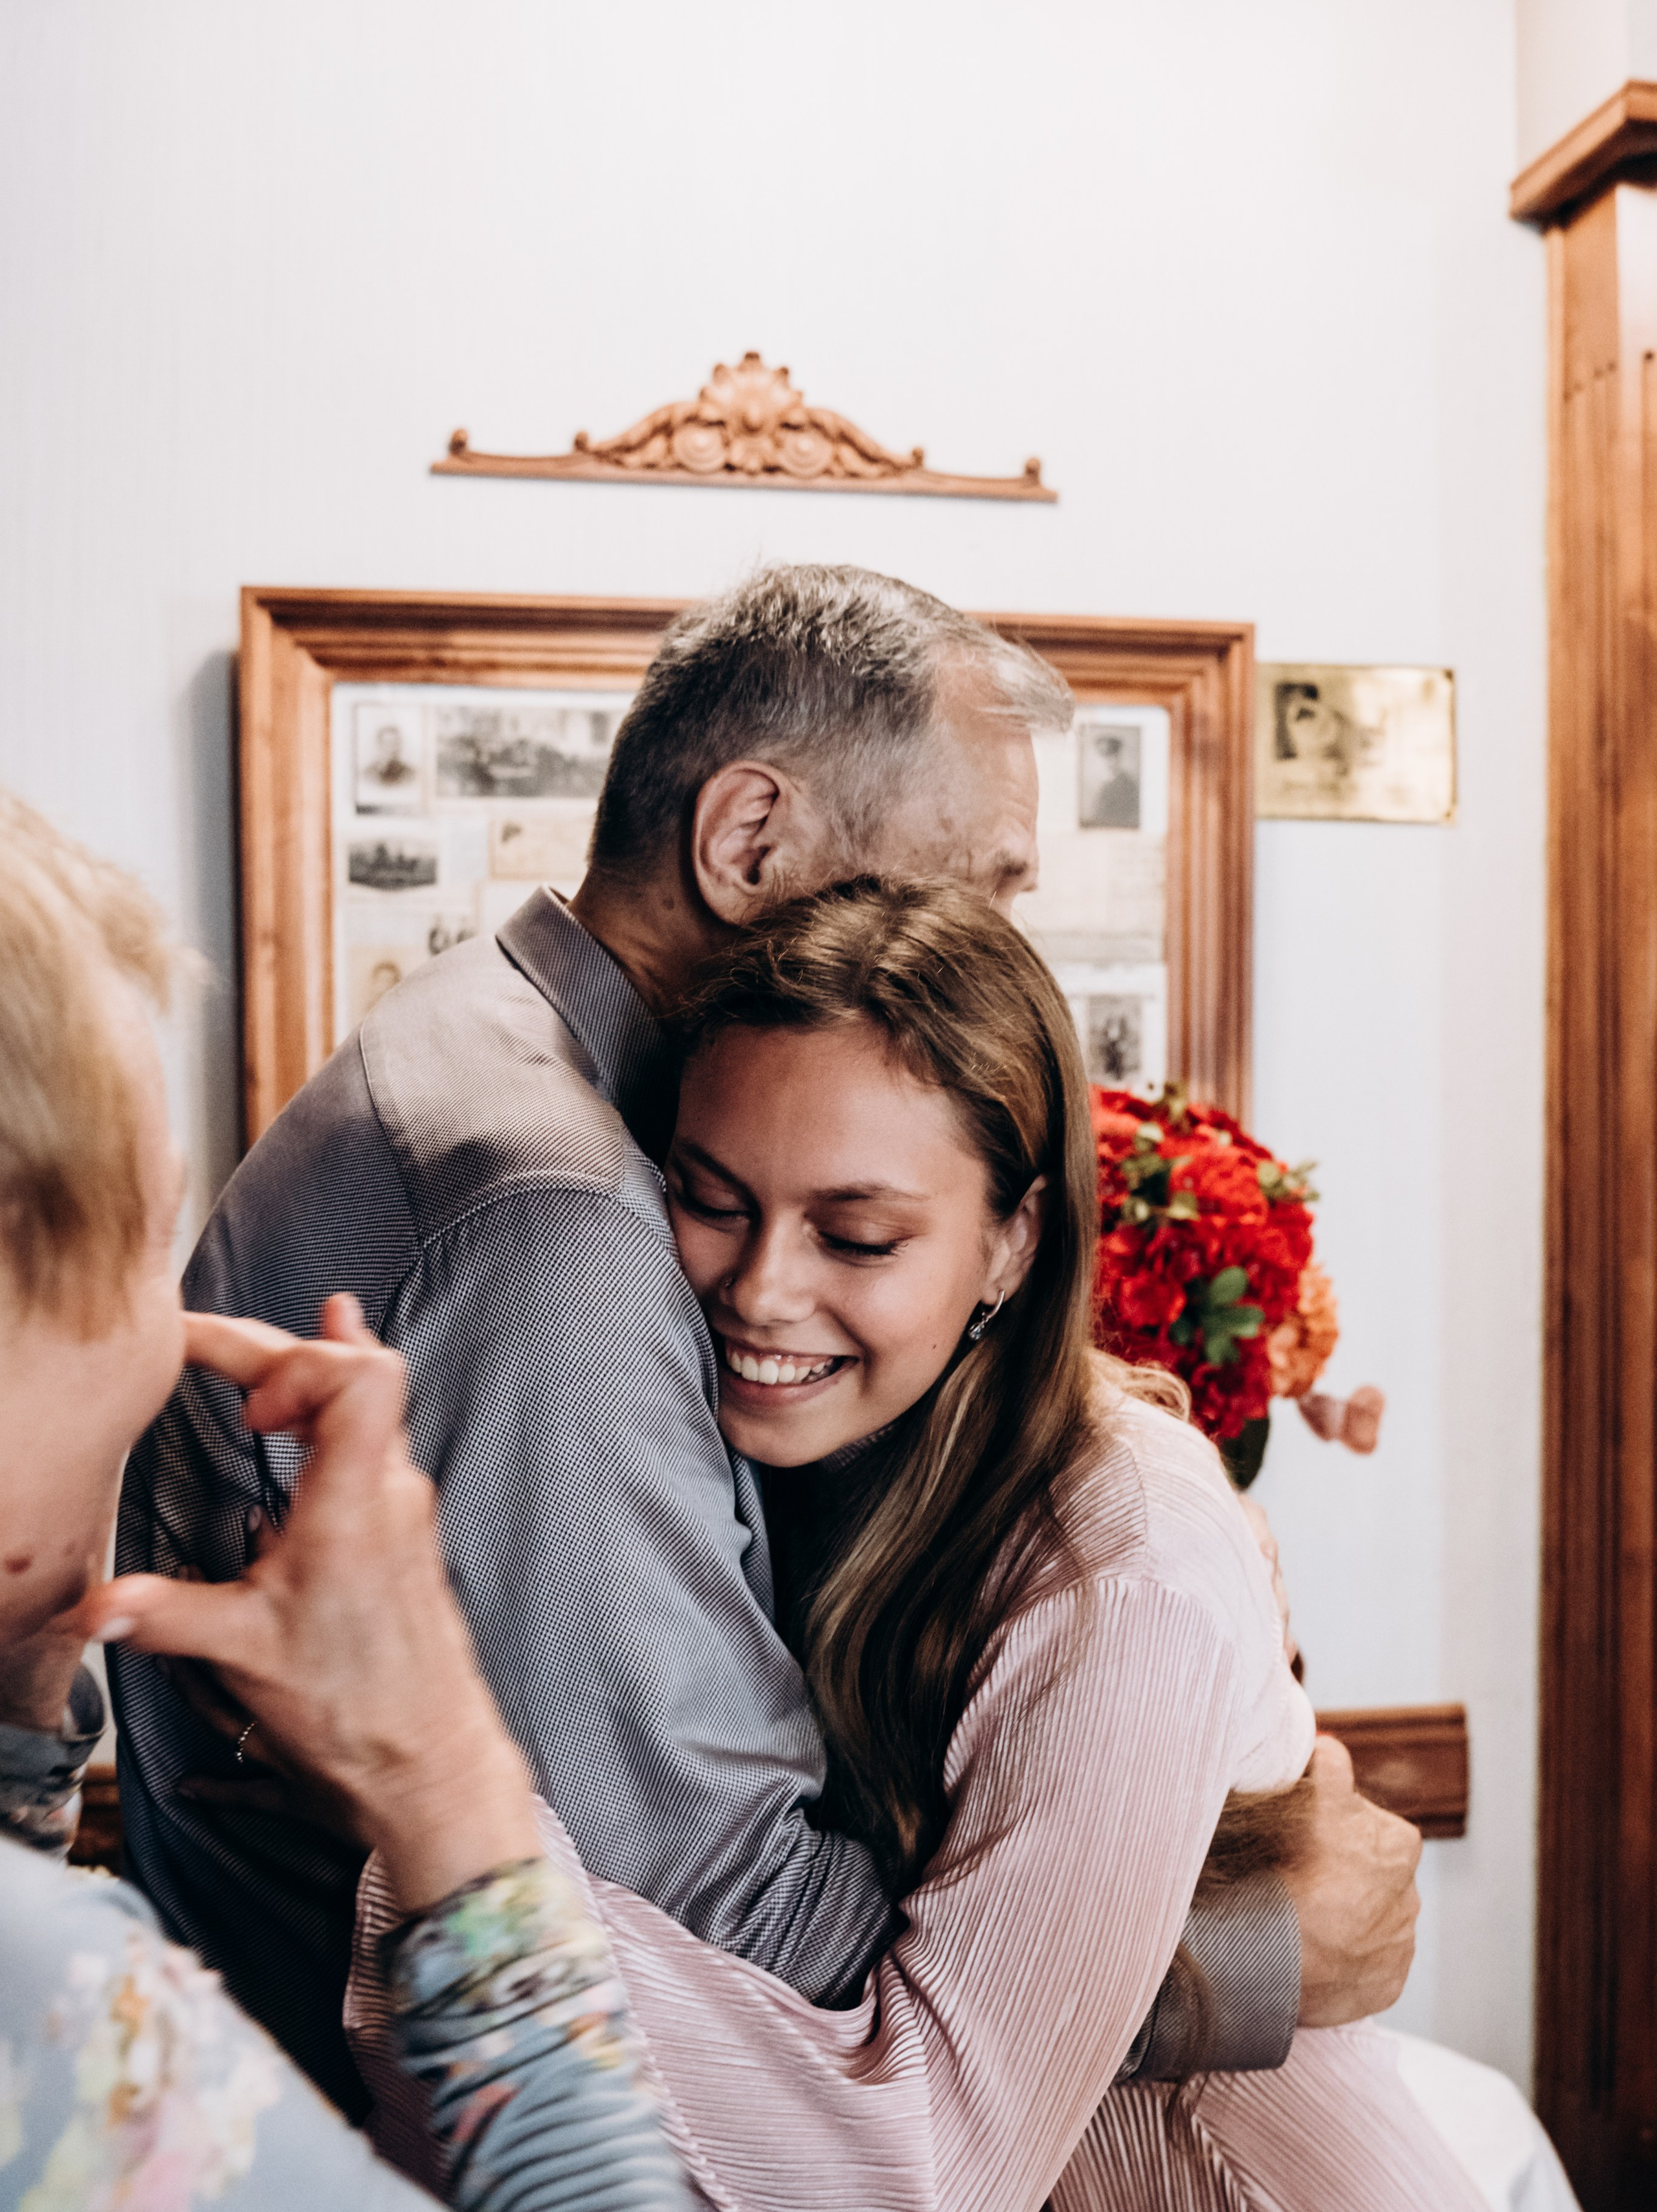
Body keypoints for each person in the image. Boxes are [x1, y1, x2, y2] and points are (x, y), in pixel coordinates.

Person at [114, 564, 1418, 2130]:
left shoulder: (491, 1053)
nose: (996, 951)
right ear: (748, 843)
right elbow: (715, 1917)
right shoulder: (555, 1211)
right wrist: (1250, 1953)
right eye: (985, 884)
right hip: (455, 2177)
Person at [330, 879, 1583, 2212]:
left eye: (857, 1235)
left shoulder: (1122, 1547)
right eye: (708, 1202)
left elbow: (916, 2187)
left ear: (1011, 1242)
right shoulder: (796, 1467)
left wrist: (446, 1861)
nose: (760, 1288)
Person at [0, 797, 773, 2212]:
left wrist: (23, 1662)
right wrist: (451, 1785)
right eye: (145, 1252)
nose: (173, 1339)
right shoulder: (42, 2021)